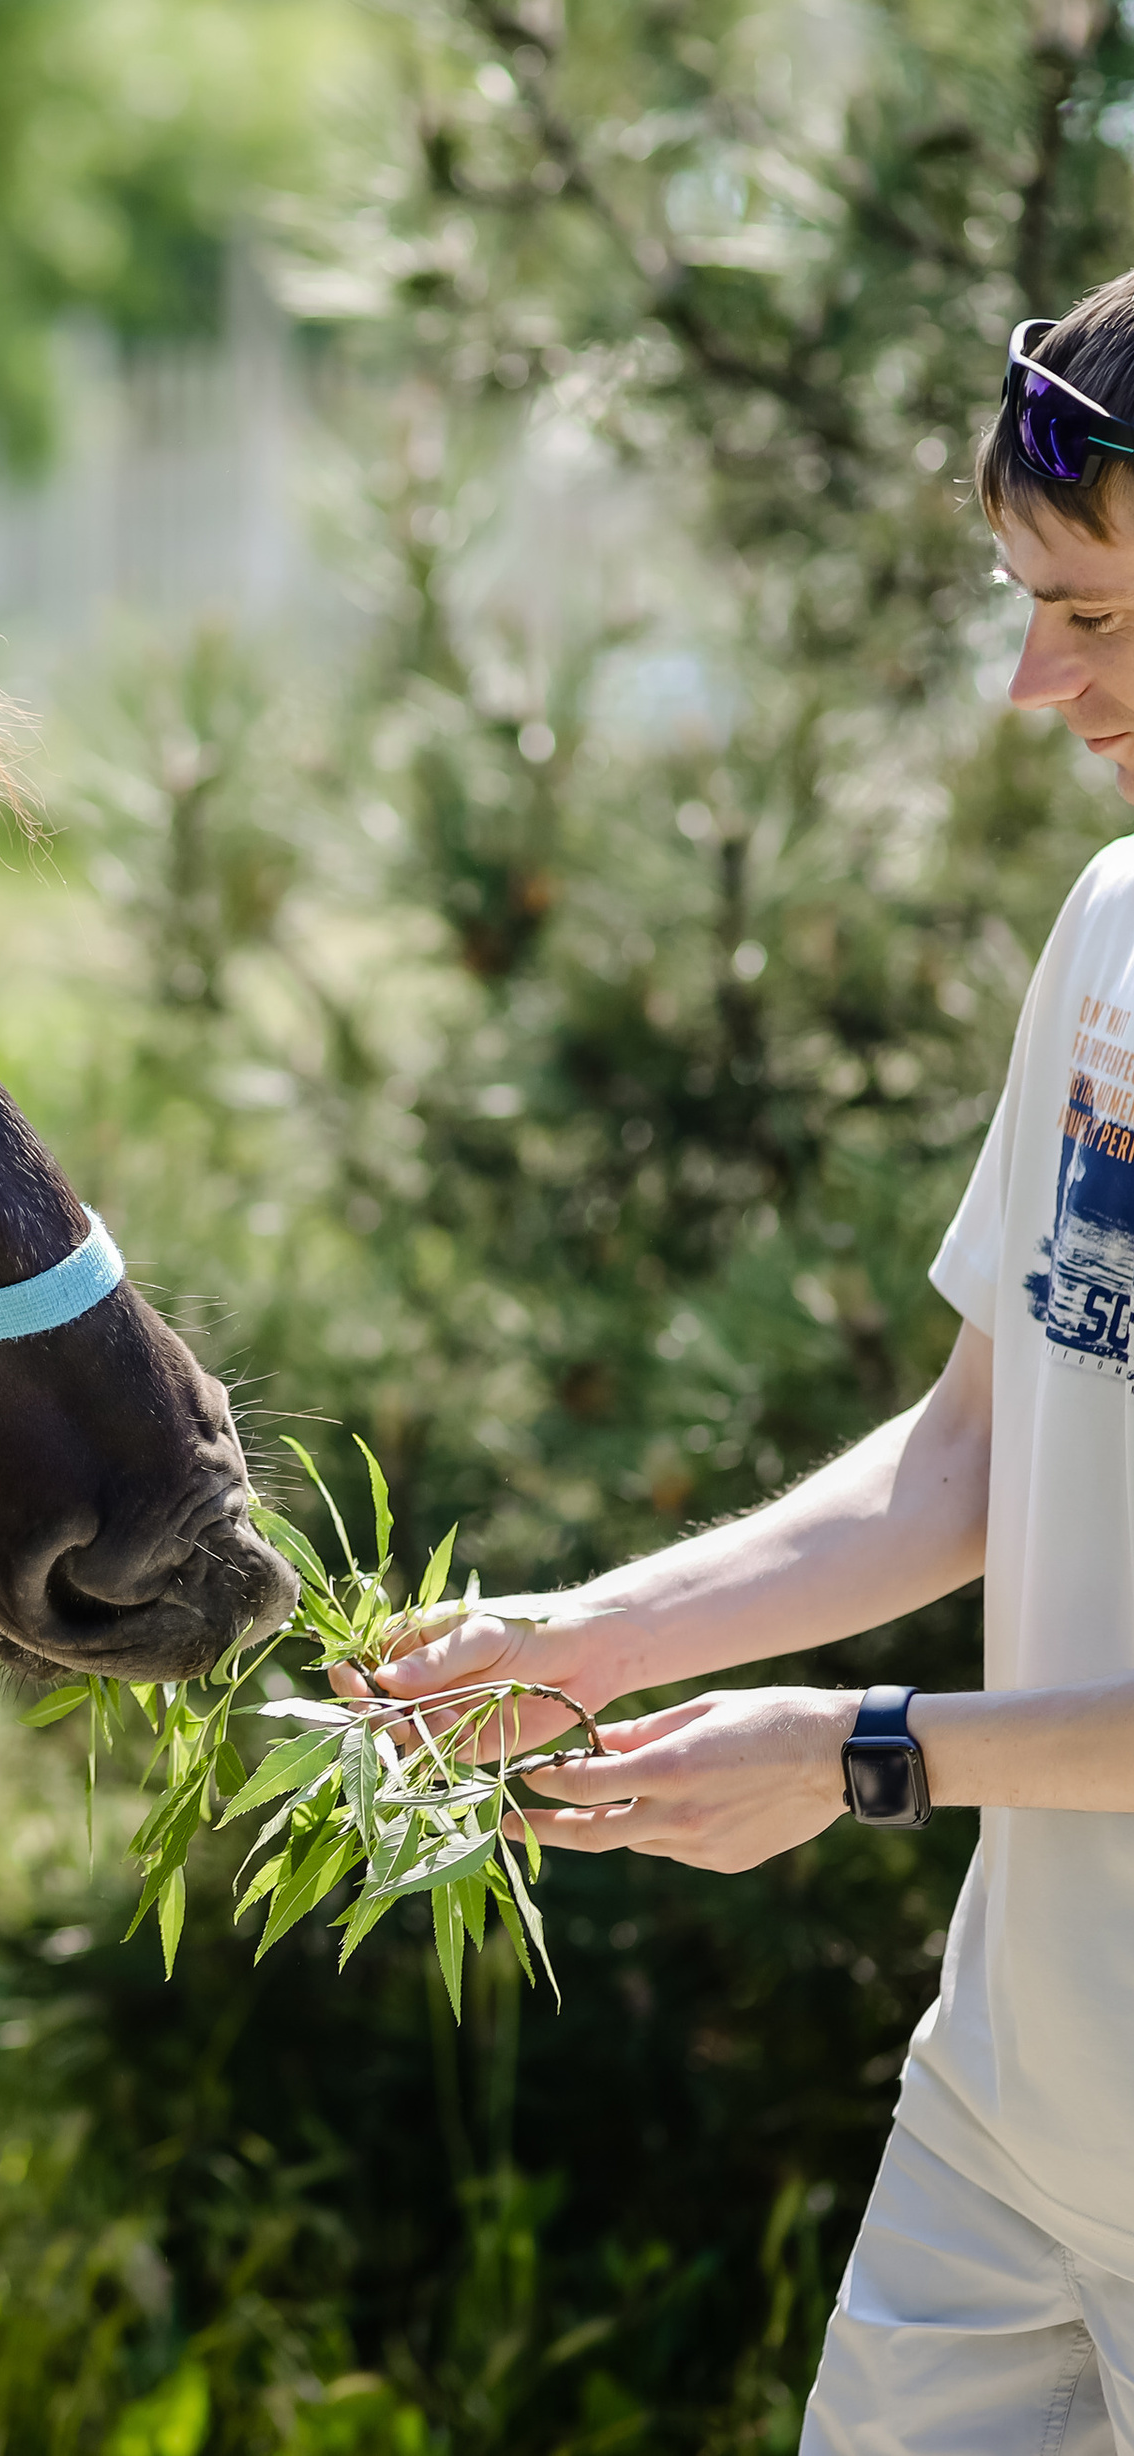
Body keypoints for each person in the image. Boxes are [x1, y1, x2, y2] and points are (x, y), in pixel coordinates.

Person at [354, 275, 1134, 2452]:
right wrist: (588, 1637)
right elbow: (969, 1450)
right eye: (1017, 602)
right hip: (1009, 2119)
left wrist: (862, 1750)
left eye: (1085, 616)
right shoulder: (1109, 925)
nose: (1025, 681)